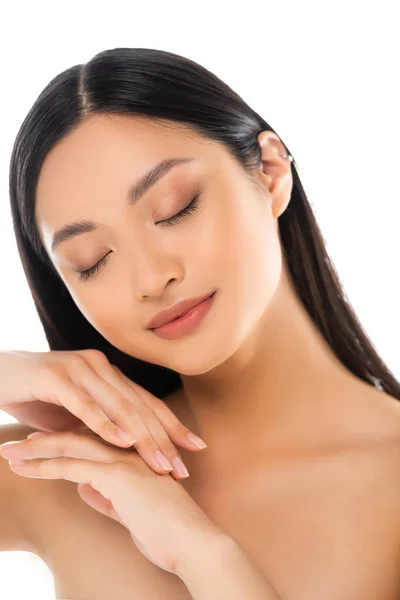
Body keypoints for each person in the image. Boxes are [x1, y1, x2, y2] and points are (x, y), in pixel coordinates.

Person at [0, 46, 400, 599]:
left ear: (270, 173)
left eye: (176, 208)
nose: (150, 277)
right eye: (92, 260)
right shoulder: (58, 468)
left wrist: (199, 551)